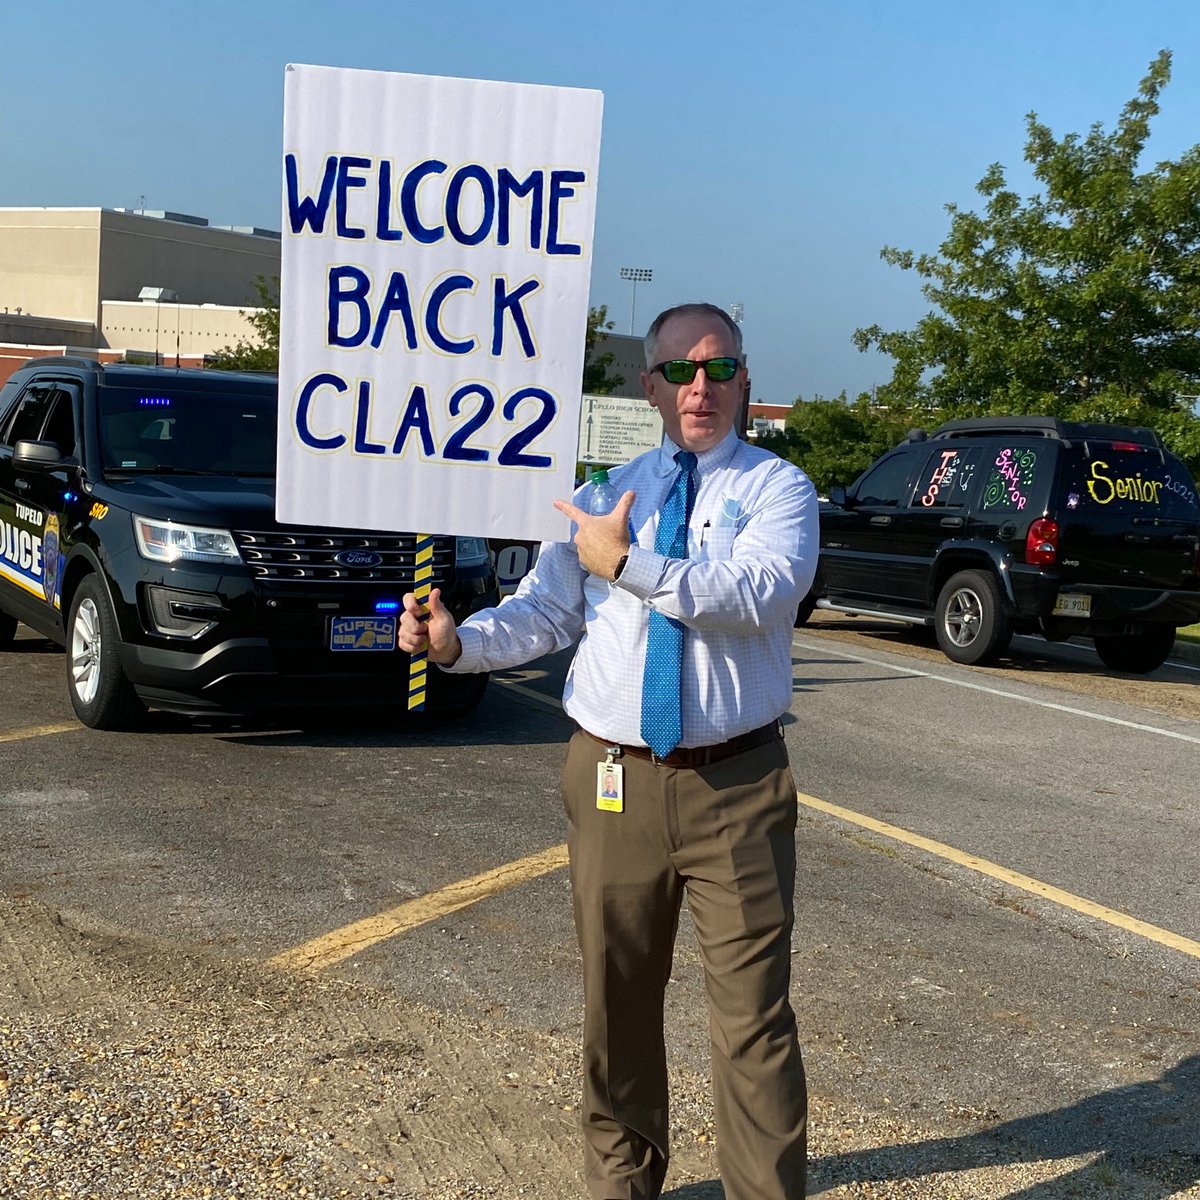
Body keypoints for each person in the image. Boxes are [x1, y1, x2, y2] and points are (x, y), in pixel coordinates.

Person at [399, 302, 818, 1200]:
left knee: (751, 1022)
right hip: (613, 777)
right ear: (650, 385)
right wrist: (456, 643)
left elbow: (754, 593)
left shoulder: (779, 491)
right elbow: (545, 614)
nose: (699, 387)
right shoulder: (596, 495)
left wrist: (625, 563)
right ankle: (622, 1186)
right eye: (679, 371)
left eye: (718, 368)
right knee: (615, 1007)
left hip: (736, 783)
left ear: (746, 379)